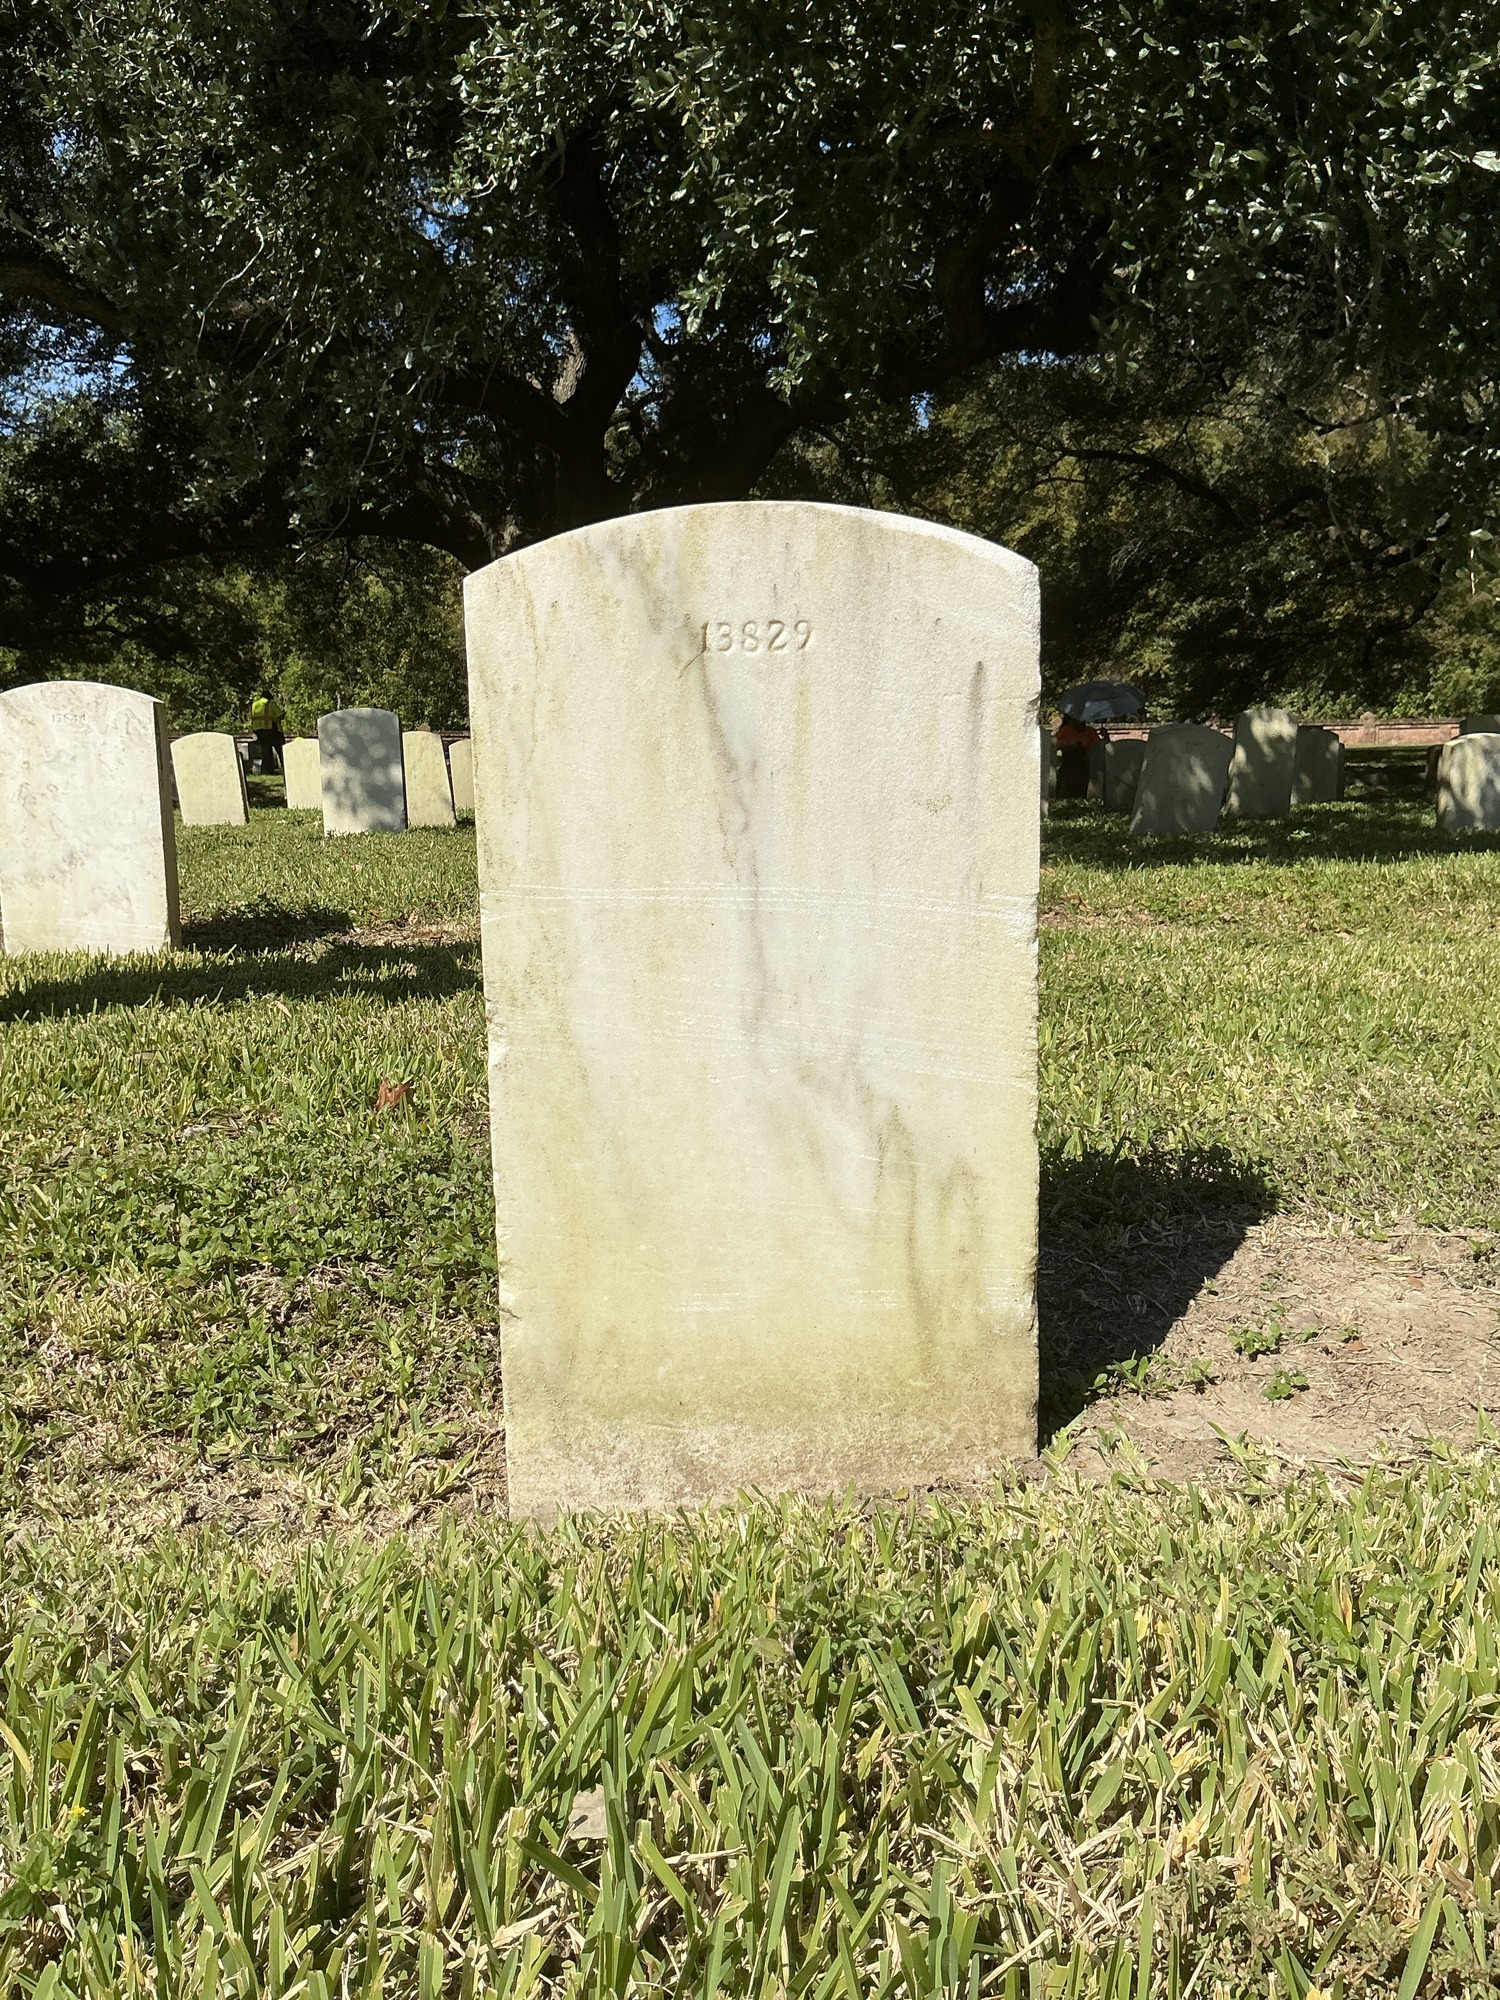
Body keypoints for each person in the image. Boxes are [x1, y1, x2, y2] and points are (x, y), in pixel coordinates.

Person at [1054, 712, 1103, 799]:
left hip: (1084, 767)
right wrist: (1069, 745)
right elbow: (1056, 745)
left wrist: (1105, 738)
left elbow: (1098, 748)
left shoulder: (1090, 732)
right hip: (1067, 767)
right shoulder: (1065, 731)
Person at [249, 689, 286, 774]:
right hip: (271, 729)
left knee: (265, 751)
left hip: (258, 730)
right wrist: (284, 713)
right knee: (281, 749)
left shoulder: (255, 704)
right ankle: (286, 767)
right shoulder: (271, 703)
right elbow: (279, 715)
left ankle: (267, 770)